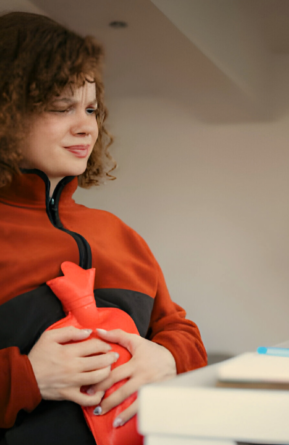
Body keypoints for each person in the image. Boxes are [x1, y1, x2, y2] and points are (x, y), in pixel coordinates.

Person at [0, 11, 207, 445]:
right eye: (62, 107)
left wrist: (167, 358)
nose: (87, 126)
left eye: (91, 108)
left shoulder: (120, 234)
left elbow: (181, 332)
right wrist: (28, 377)